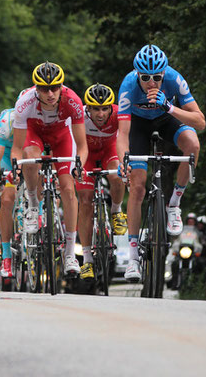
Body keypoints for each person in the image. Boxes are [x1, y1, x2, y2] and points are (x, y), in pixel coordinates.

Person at [117, 44, 206, 282]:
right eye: (145, 78)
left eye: (157, 77)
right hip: (138, 126)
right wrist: (122, 160)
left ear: (164, 73)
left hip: (167, 117)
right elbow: (123, 133)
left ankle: (174, 203)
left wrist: (169, 106)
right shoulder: (128, 86)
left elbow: (200, 122)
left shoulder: (175, 80)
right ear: (137, 74)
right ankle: (134, 258)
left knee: (193, 145)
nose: (151, 83)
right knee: (137, 187)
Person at [12, 62, 88, 276]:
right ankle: (33, 203)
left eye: (55, 87)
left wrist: (78, 164)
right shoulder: (24, 103)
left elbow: (82, 146)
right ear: (36, 88)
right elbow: (17, 148)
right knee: (29, 157)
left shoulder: (72, 100)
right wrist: (16, 167)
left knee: (68, 189)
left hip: (61, 138)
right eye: (44, 89)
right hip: (34, 135)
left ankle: (70, 253)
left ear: (61, 86)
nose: (50, 93)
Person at [76, 84, 127, 280]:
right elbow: (74, 144)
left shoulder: (118, 114)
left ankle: (115, 210)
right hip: (87, 154)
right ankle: (87, 260)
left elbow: (124, 138)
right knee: (85, 201)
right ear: (87, 108)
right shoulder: (79, 115)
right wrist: (77, 167)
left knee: (116, 175)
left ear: (111, 108)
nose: (100, 113)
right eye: (95, 108)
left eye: (105, 108)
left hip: (109, 151)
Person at [0, 108, 18, 278]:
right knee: (7, 200)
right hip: (7, 158)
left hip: (29, 154)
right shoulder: (6, 122)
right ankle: (6, 255)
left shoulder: (41, 118)